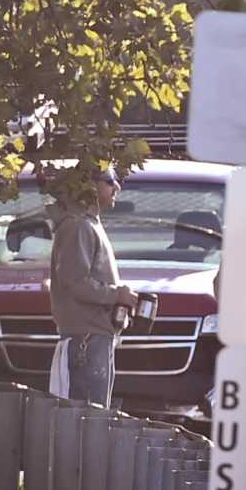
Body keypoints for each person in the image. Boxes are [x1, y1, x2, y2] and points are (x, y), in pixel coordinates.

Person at [50, 166, 138, 409]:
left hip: (96, 339)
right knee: (86, 423)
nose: (117, 187)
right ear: (89, 184)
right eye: (110, 181)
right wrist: (117, 294)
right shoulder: (78, 226)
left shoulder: (90, 224)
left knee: (97, 418)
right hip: (85, 342)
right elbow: (74, 282)